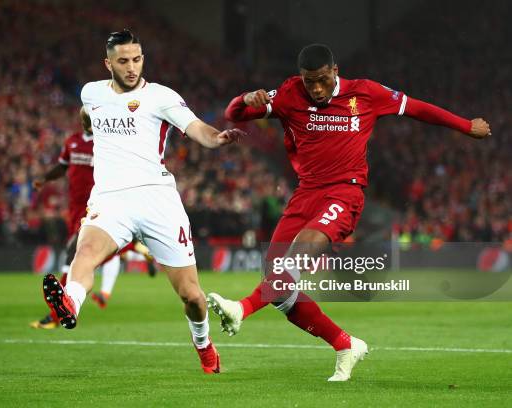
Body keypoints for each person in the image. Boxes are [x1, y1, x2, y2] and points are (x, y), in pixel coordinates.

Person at [208, 43, 491, 381]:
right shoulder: (288, 93)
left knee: (301, 251)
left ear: (335, 71)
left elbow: (417, 108)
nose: (315, 88)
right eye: (309, 81)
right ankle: (345, 344)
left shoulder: (366, 93)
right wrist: (245, 100)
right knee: (280, 287)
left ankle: (242, 308)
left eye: (322, 80)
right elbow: (234, 114)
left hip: (345, 191)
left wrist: (465, 126)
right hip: (305, 194)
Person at [41, 29, 245, 374]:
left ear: (142, 59)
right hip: (110, 198)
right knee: (85, 253)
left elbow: (196, 128)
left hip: (157, 201)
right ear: (108, 63)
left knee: (192, 296)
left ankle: (204, 345)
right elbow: (88, 115)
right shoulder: (91, 93)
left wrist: (218, 138)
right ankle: (70, 303)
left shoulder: (161, 97)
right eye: (123, 61)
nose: (131, 67)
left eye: (136, 59)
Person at [30, 110, 157, 329]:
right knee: (85, 255)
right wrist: (45, 178)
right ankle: (135, 248)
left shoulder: (106, 143)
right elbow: (62, 166)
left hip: (97, 205)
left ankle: (56, 314)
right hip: (74, 208)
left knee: (74, 255)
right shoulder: (72, 142)